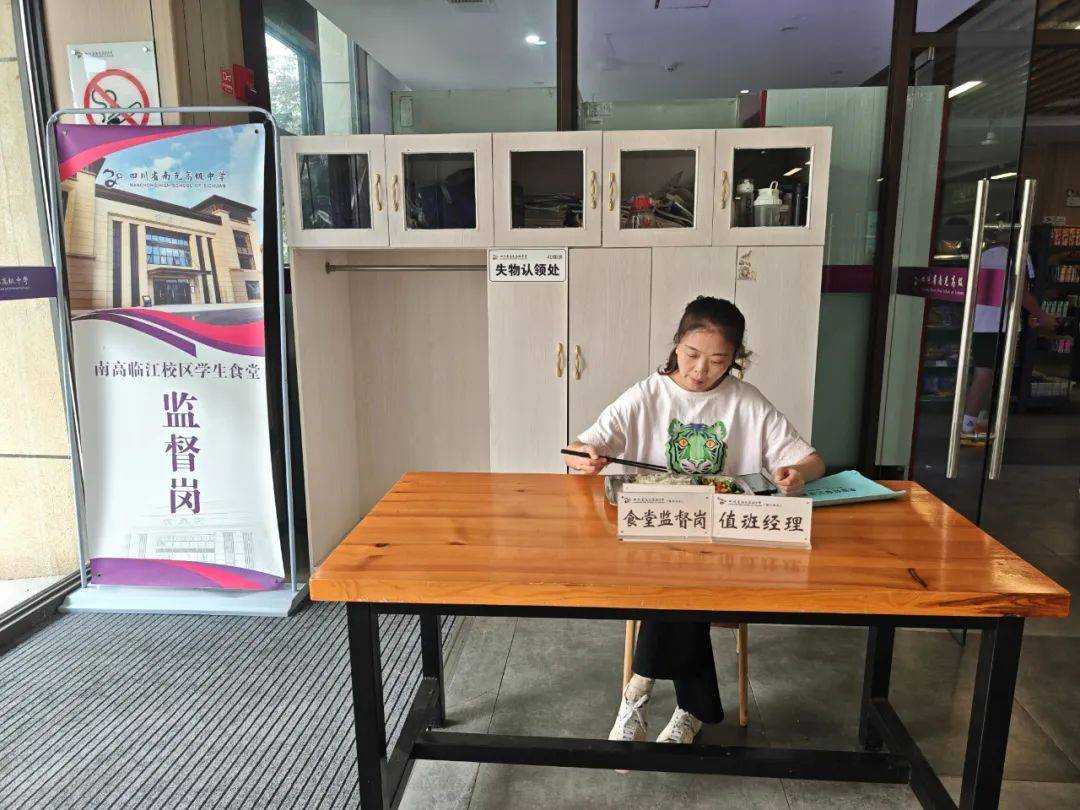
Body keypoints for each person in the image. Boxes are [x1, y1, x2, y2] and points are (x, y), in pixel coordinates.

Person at [562, 296, 825, 745]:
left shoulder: (745, 402)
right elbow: (577, 448)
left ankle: (638, 688)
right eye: (691, 354)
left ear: (735, 358)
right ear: (676, 344)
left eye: (718, 360)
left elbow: (813, 460)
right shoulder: (647, 395)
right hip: (652, 538)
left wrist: (797, 474)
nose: (701, 370)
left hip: (723, 545)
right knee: (678, 581)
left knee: (685, 581)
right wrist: (584, 456)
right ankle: (691, 708)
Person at [962, 236, 1058, 445]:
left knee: (984, 373)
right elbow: (1020, 292)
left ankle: (976, 422)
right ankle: (967, 427)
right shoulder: (1018, 255)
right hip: (999, 324)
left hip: (979, 322)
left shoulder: (983, 253)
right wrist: (1041, 315)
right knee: (986, 375)